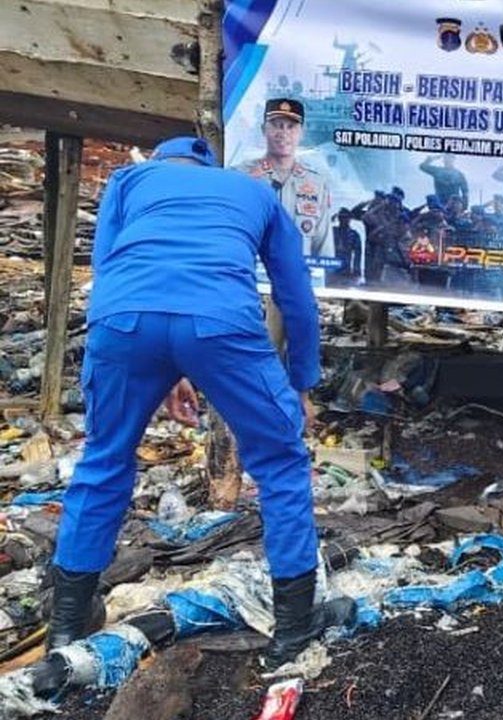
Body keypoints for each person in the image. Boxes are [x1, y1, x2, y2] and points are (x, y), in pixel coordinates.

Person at [48, 137, 353, 667]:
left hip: (123, 321)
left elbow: (108, 266)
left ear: (162, 161)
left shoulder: (128, 180)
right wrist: (301, 382)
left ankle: (66, 627)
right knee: (281, 463)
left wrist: (161, 365)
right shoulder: (255, 192)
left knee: (103, 457)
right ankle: (294, 628)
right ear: (208, 166)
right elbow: (295, 294)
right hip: (222, 322)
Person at [235, 98, 334, 259]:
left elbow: (324, 248)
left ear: (301, 133)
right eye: (277, 125)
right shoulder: (240, 176)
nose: (283, 133)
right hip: (251, 271)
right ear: (263, 129)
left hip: (298, 273)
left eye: (291, 127)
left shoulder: (317, 184)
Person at [332, 207, 362, 280]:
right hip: (331, 267)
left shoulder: (353, 235)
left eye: (345, 218)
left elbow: (357, 254)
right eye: (341, 217)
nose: (343, 220)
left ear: (349, 219)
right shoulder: (333, 232)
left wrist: (356, 270)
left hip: (345, 270)